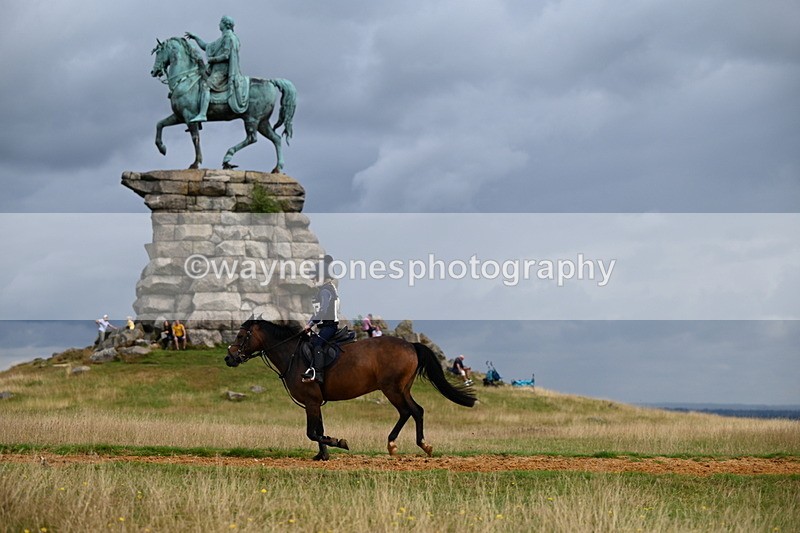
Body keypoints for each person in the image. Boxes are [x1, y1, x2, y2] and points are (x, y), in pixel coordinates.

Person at [185, 15, 248, 122]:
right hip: (216, 70)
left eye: (220, 22)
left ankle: (203, 114)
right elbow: (206, 46)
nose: (219, 24)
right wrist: (195, 37)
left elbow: (226, 55)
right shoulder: (223, 38)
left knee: (205, 86)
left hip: (222, 71)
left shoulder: (229, 38)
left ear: (225, 24)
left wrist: (213, 59)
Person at [302, 255, 339, 384]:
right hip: (324, 326)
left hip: (329, 326)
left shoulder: (325, 291)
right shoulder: (326, 289)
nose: (312, 281)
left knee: (318, 344)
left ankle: (318, 373)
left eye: (314, 278)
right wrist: (308, 324)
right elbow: (318, 312)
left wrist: (311, 324)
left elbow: (323, 311)